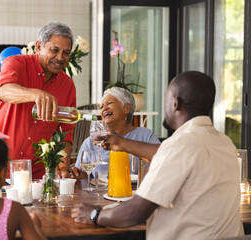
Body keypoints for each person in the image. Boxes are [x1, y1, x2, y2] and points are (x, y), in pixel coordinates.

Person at [71, 71, 244, 239]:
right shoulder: (226, 143)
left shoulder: (178, 145)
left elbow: (134, 213)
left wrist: (94, 214)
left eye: (166, 99)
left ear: (175, 103)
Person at [0, 21, 76, 179]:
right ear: (39, 46)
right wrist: (36, 94)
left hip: (34, 175)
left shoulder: (67, 85)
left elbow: (65, 132)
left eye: (66, 53)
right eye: (54, 50)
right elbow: (4, 91)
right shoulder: (15, 63)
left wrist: (63, 167)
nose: (60, 58)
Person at [71, 87, 160, 179]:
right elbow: (85, 176)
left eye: (109, 103)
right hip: (101, 192)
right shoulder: (90, 142)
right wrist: (78, 175)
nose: (104, 108)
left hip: (135, 191)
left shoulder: (145, 135)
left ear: (126, 108)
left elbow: (163, 159)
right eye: (101, 107)